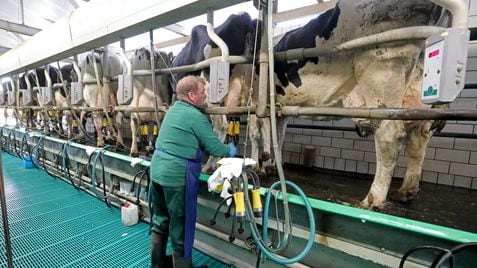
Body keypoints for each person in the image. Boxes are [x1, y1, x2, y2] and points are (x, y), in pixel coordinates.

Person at [149, 75, 236, 268]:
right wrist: (229, 149)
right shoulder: (196, 117)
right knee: (182, 226)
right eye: (202, 92)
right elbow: (215, 148)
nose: (205, 95)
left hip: (156, 172)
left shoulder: (172, 111)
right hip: (176, 177)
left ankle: (157, 264)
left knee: (160, 220)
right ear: (191, 95)